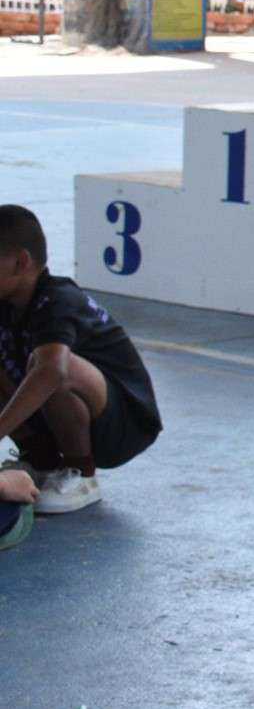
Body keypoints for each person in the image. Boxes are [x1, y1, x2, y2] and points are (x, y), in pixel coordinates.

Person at [0, 205, 163, 515]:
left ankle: (81, 474)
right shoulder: (6, 300)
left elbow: (51, 372)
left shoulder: (59, 300)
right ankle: (40, 460)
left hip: (120, 425)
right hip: (58, 414)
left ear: (21, 262)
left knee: (52, 367)